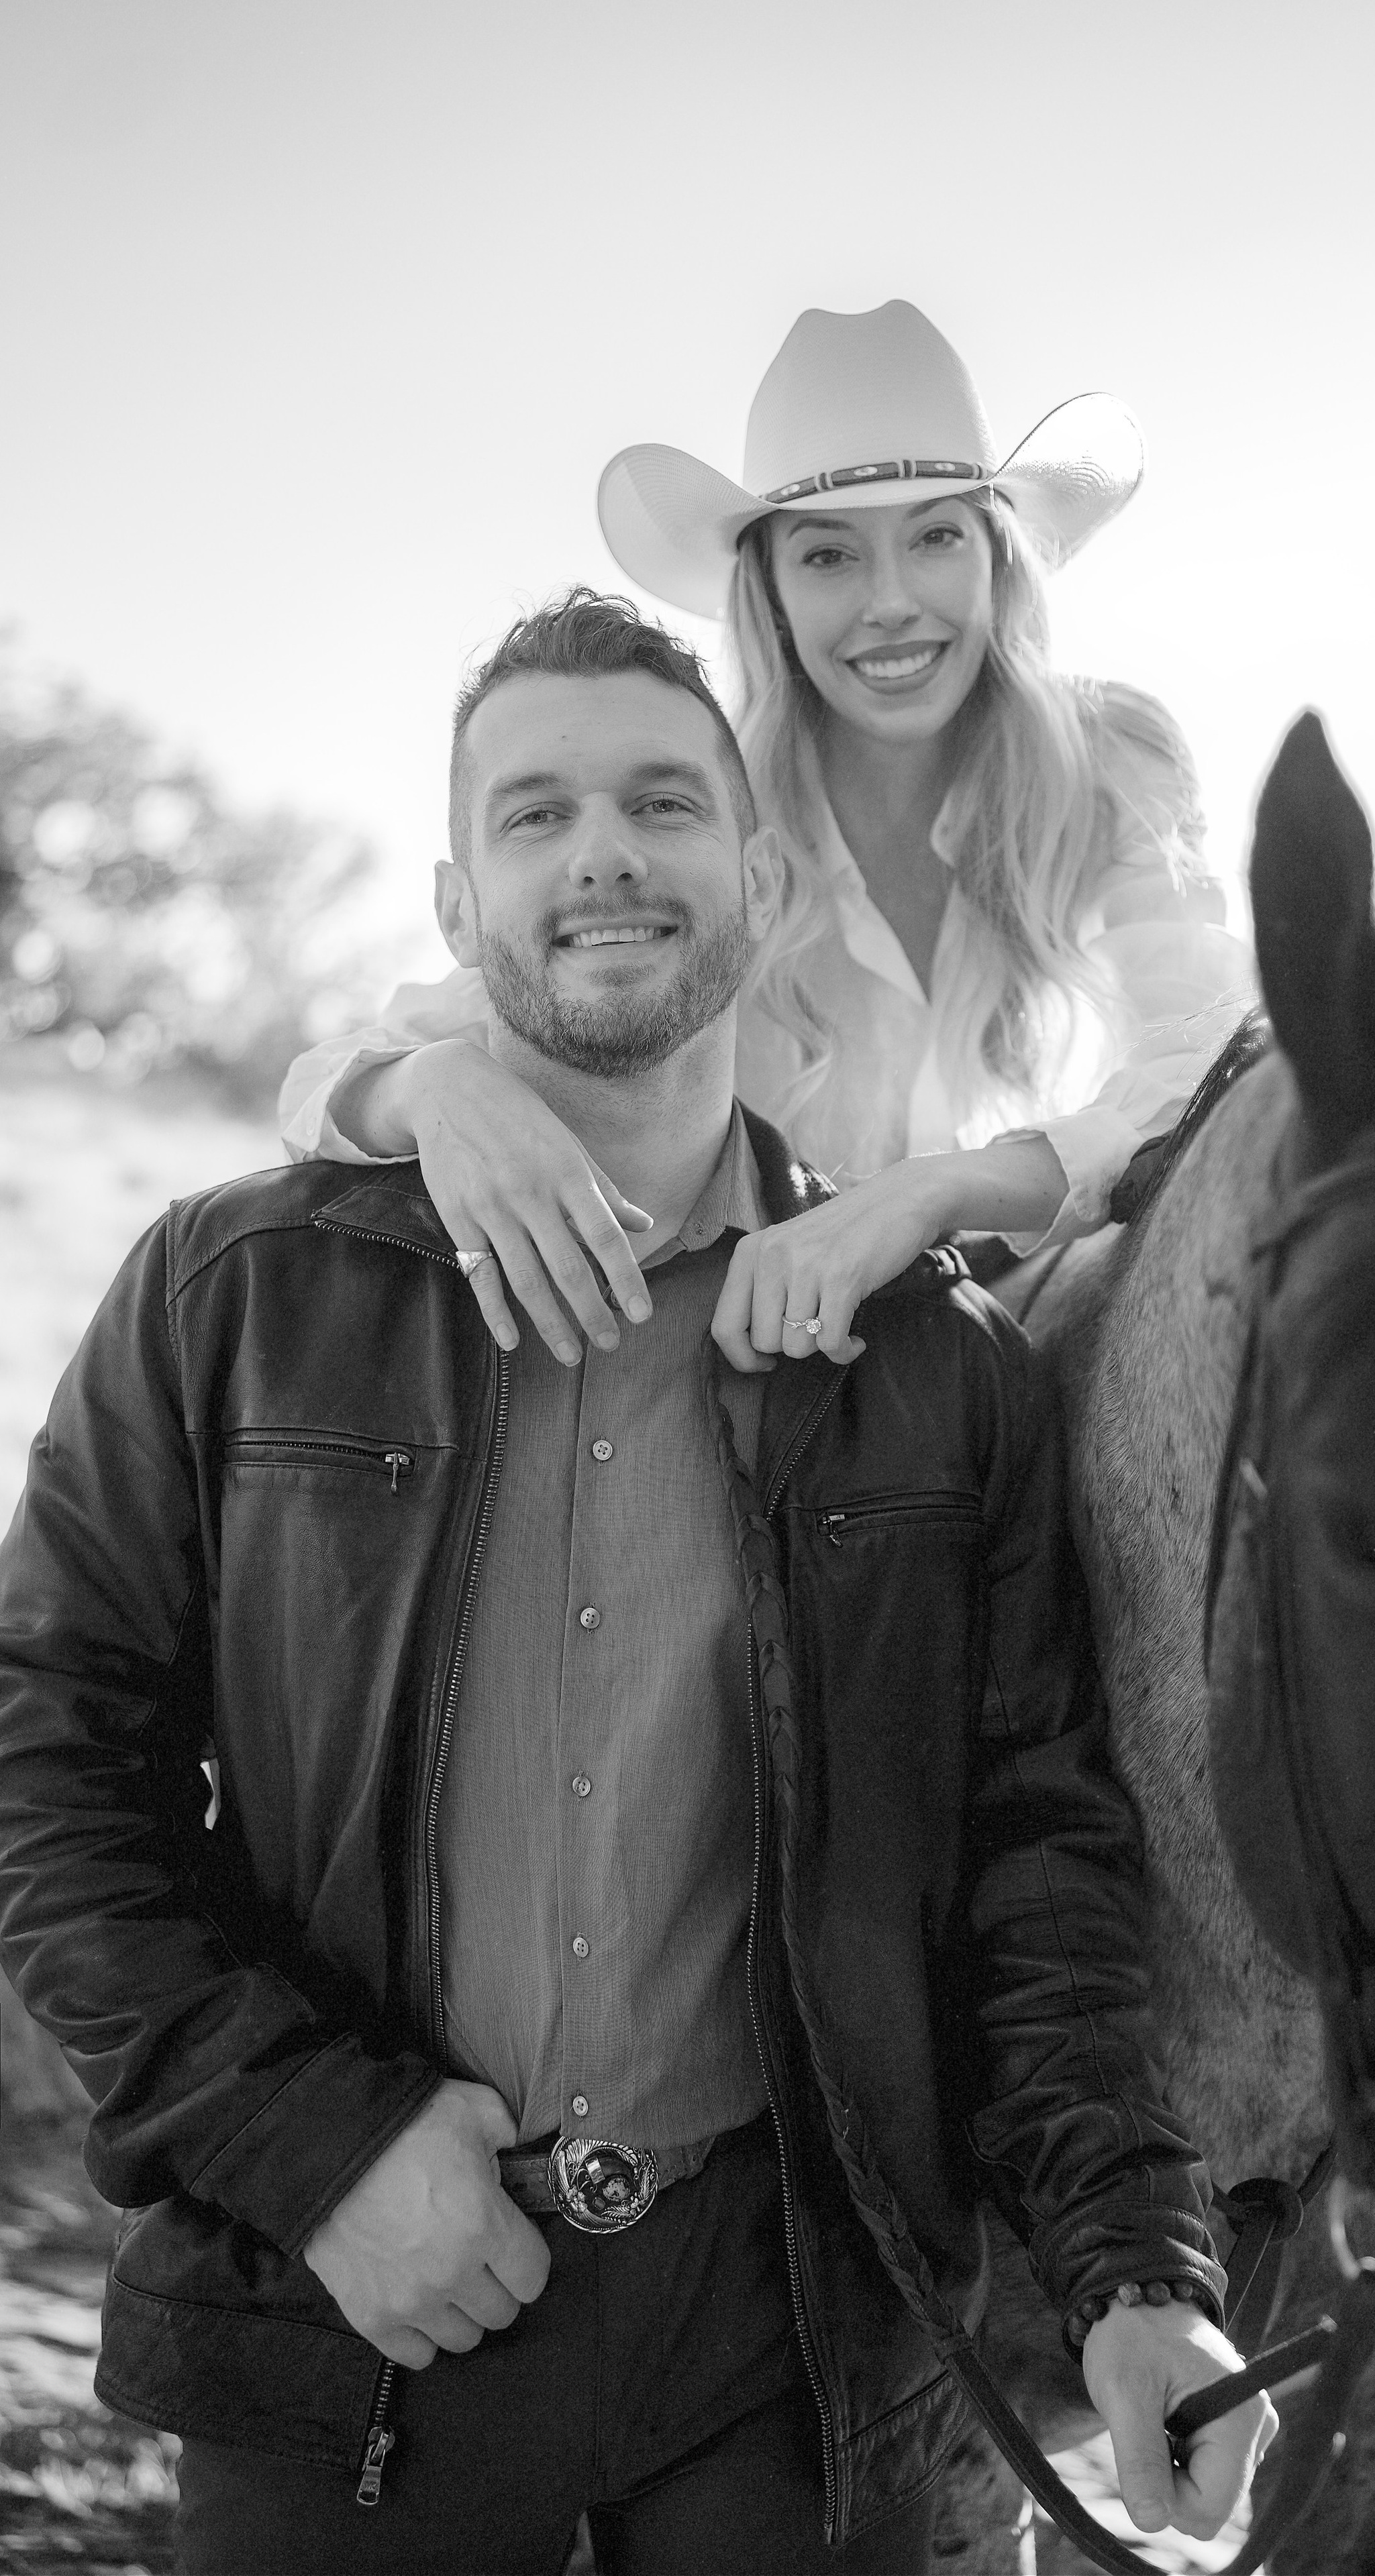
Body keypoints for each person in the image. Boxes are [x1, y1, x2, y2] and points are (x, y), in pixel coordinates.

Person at [0, 593, 1273, 2576]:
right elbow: (46, 1766)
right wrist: (308, 2150)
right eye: (537, 814)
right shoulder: (230, 1294)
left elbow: (1037, 1864)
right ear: (453, 898)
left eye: (666, 804)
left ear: (759, 880)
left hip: (792, 2359)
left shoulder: (940, 1378)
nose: (603, 855)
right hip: (346, 2316)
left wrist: (1135, 2277)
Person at [278, 299, 1252, 1378]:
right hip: (759, 1344)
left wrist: (937, 1190)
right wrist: (433, 1087)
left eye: (934, 537)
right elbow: (326, 1085)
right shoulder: (706, 813)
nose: (890, 604)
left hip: (1018, 1307)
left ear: (995, 556)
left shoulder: (1106, 757)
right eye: (830, 557)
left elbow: (1220, 1046)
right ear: (773, 597)